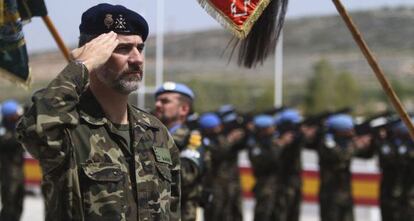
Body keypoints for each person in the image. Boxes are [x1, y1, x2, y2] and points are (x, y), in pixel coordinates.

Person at [17, 4, 181, 220]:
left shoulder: (155, 131)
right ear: (95, 54)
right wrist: (81, 66)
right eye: (122, 48)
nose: (137, 59)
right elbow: (33, 129)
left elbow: (174, 209)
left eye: (139, 48)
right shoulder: (69, 127)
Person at [154, 82, 206, 221]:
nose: (158, 105)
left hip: (180, 213)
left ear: (183, 109)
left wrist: (154, 153)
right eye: (157, 101)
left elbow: (185, 175)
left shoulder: (192, 138)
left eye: (165, 101)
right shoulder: (151, 135)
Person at [247, 115, 294, 221]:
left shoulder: (271, 141)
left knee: (279, 214)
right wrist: (280, 145)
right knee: (263, 214)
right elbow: (269, 159)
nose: (273, 129)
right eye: (270, 127)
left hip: (278, 186)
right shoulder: (255, 145)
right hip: (265, 186)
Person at [0, 99, 25, 221]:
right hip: (9, 174)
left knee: (19, 204)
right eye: (15, 116)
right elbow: (12, 141)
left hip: (19, 173)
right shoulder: (3, 132)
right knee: (9, 205)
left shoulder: (15, 129)